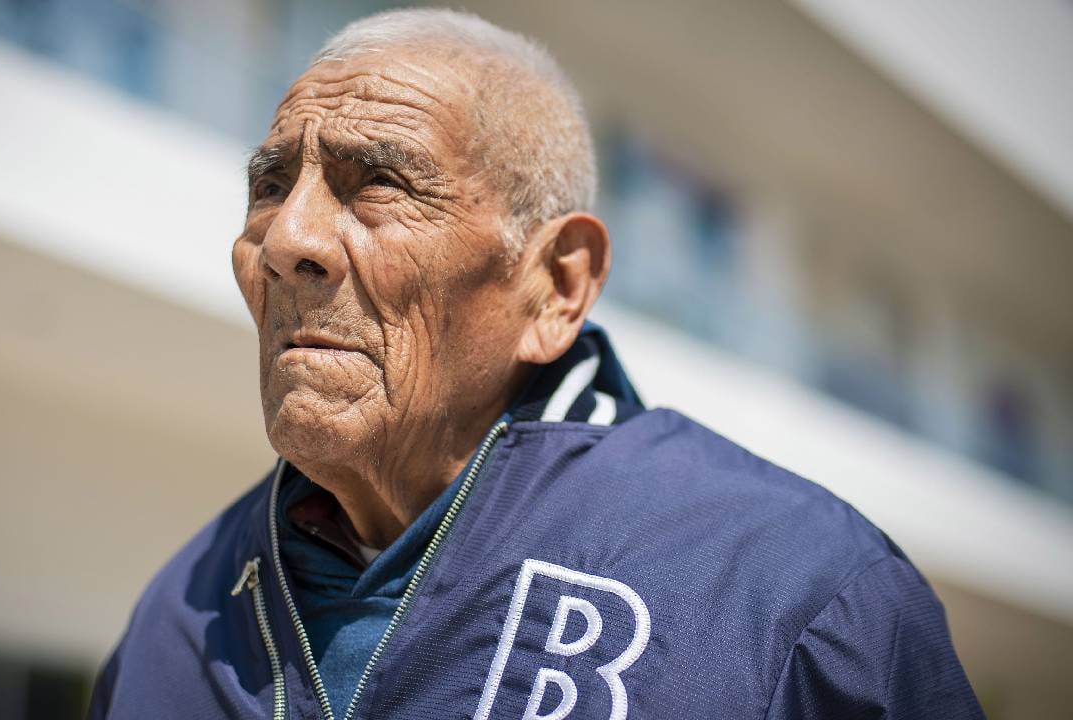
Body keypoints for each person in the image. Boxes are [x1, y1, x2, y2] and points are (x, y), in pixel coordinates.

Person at [90, 8, 982, 719]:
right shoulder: (179, 611)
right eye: (270, 186)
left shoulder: (799, 594)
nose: (288, 240)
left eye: (380, 183)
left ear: (556, 285)